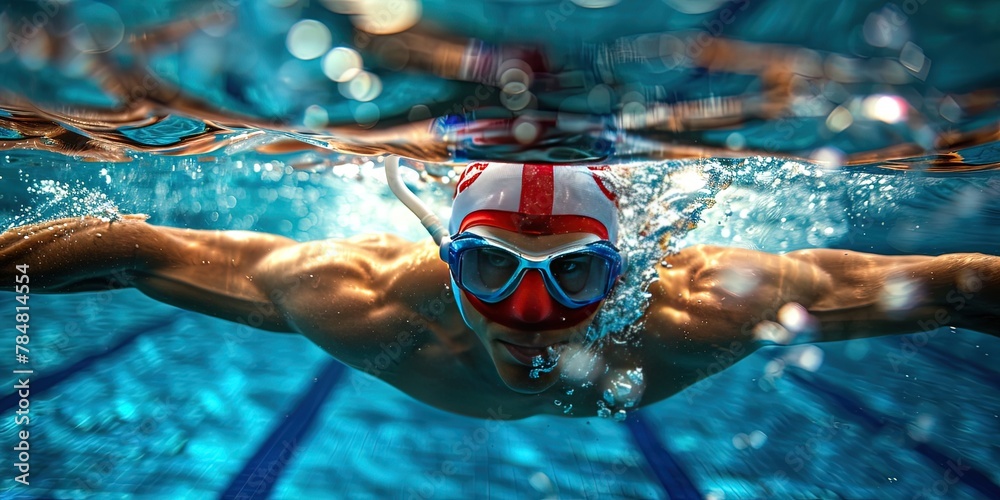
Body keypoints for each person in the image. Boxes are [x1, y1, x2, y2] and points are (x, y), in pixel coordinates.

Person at [2, 161, 997, 419]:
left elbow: (959, 281)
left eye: (574, 273)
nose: (530, 313)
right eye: (487, 266)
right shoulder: (363, 293)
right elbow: (131, 243)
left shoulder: (713, 299)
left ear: (629, 266)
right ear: (445, 254)